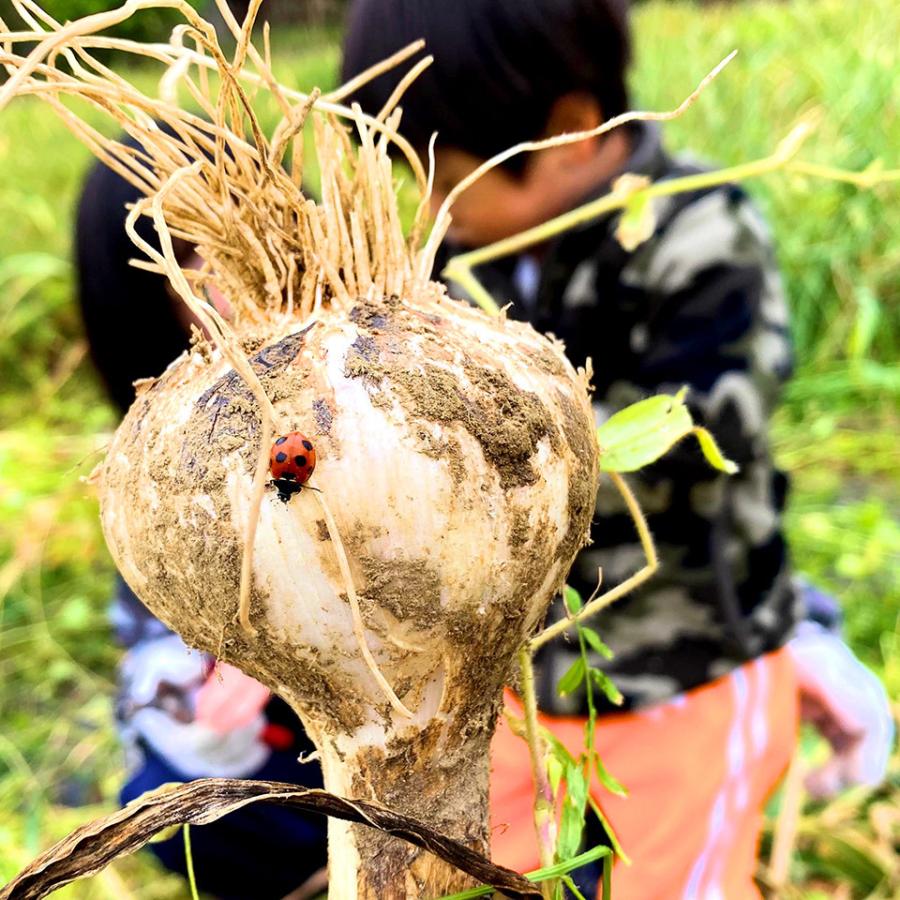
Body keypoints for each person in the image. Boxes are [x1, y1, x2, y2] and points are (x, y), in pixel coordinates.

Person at [339, 0, 894, 897]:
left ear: (566, 132)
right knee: (488, 865)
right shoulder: (458, 264)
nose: (431, 210)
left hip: (687, 667)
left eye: (444, 177)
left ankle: (800, 659)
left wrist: (499, 448)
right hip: (522, 675)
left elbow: (706, 419)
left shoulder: (700, 231)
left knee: (669, 878)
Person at [76, 139, 329, 900]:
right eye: (183, 261)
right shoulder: (156, 452)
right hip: (275, 726)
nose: (213, 283)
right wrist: (193, 685)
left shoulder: (357, 375)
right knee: (166, 797)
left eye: (224, 247)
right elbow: (149, 629)